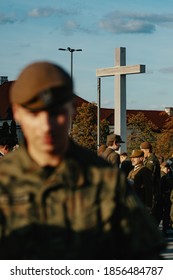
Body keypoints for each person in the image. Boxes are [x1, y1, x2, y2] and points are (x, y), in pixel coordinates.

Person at [0, 61, 165, 260]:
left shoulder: (103, 178)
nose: (46, 125)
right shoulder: (5, 178)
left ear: (71, 110)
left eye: (56, 113)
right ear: (17, 112)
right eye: (35, 113)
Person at [140, 141, 161, 224]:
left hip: (153, 189)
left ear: (147, 150)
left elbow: (149, 175)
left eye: (142, 151)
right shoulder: (148, 159)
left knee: (151, 210)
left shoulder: (151, 160)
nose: (141, 153)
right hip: (152, 188)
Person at [160, 161, 172, 234]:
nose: (168, 170)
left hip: (161, 197)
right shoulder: (165, 176)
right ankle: (164, 230)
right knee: (165, 214)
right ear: (163, 168)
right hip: (164, 197)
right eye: (167, 169)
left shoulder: (160, 175)